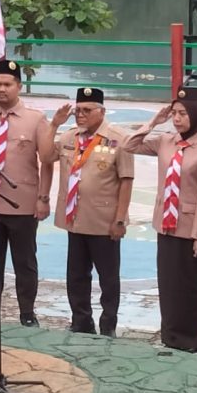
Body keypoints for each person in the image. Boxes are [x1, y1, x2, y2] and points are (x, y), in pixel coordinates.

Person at [123, 87, 197, 352]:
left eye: (183, 113)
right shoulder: (166, 141)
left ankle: (190, 338)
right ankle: (171, 335)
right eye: (174, 113)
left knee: (191, 285)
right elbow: (128, 144)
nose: (177, 119)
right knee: (169, 283)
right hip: (165, 223)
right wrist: (155, 121)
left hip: (189, 226)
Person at [41, 87, 134, 336]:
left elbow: (126, 180)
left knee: (108, 278)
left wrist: (120, 219)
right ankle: (81, 321)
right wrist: (53, 126)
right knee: (76, 275)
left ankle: (108, 324)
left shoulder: (118, 139)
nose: (80, 115)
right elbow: (47, 156)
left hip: (104, 220)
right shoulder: (70, 137)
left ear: (101, 112)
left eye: (86, 110)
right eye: (77, 110)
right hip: (75, 218)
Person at [0, 59, 55, 326]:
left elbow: (47, 161)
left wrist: (43, 198)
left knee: (25, 262)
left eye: (7, 84)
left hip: (22, 204)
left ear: (19, 86)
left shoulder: (35, 119)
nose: (1, 89)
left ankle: (27, 312)